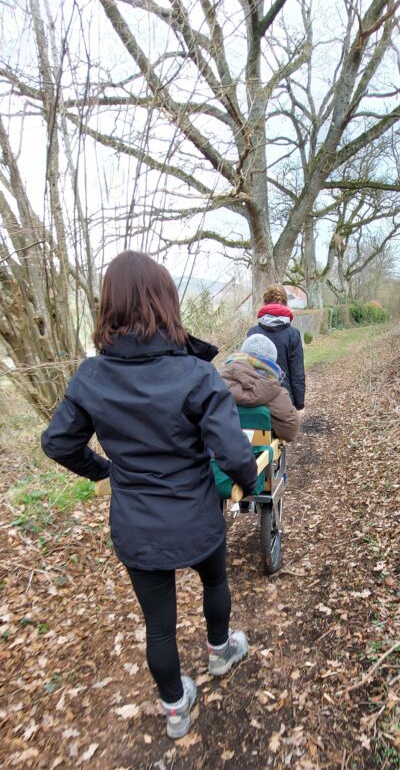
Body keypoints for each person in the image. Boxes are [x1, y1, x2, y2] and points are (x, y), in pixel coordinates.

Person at [41, 250, 257, 740]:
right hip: (198, 517)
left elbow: (57, 441)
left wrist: (104, 470)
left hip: (137, 525)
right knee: (215, 582)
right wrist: (253, 483)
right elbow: (234, 453)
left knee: (158, 625)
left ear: (108, 306)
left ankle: (175, 708)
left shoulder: (90, 377)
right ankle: (222, 652)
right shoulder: (196, 374)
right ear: (165, 303)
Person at [221, 334, 300, 442]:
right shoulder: (277, 394)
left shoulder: (215, 383)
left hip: (216, 450)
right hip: (257, 453)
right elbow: (290, 432)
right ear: (272, 363)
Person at [245, 285, 305, 411]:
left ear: (265, 303)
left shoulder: (253, 333)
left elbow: (246, 368)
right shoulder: (293, 334)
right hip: (284, 397)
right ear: (285, 303)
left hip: (257, 398)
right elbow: (297, 372)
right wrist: (299, 403)